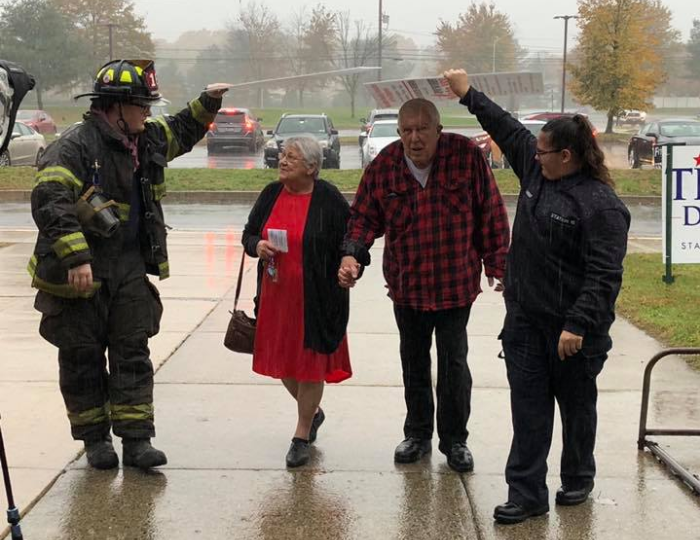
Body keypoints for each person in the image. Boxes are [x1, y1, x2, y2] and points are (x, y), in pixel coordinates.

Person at [443, 69, 631, 524]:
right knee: (528, 410)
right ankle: (526, 493)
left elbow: (605, 277)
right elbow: (506, 127)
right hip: (526, 323)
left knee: (576, 408)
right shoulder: (537, 169)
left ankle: (578, 476)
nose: (534, 155)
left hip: (573, 332)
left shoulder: (601, 206)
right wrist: (467, 94)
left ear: (566, 155)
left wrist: (578, 324)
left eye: (544, 151)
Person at [29, 59, 226, 470]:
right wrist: (77, 256)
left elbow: (182, 129)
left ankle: (137, 441)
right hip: (79, 275)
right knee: (81, 358)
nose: (148, 113)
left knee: (133, 351)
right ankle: (95, 441)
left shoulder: (146, 139)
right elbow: (50, 199)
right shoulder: (76, 145)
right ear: (116, 108)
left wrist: (208, 101)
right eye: (142, 105)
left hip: (129, 267)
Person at [338, 98, 510, 472]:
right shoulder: (384, 167)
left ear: (438, 130)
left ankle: (455, 440)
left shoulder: (465, 157)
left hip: (454, 283)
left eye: (421, 129)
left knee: (453, 364)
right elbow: (363, 218)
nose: (414, 138)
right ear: (399, 132)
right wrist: (352, 255)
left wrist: (498, 265)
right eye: (406, 130)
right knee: (413, 363)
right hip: (408, 285)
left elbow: (491, 211)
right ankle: (417, 434)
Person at [242, 136, 356, 468]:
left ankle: (301, 434)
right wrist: (257, 246)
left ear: (312, 167)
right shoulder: (270, 194)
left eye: (291, 157)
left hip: (317, 299)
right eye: (282, 155)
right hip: (277, 297)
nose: (283, 160)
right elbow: (248, 234)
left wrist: (348, 261)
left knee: (309, 366)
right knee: (283, 364)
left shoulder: (329, 198)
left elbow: (352, 236)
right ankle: (314, 412)